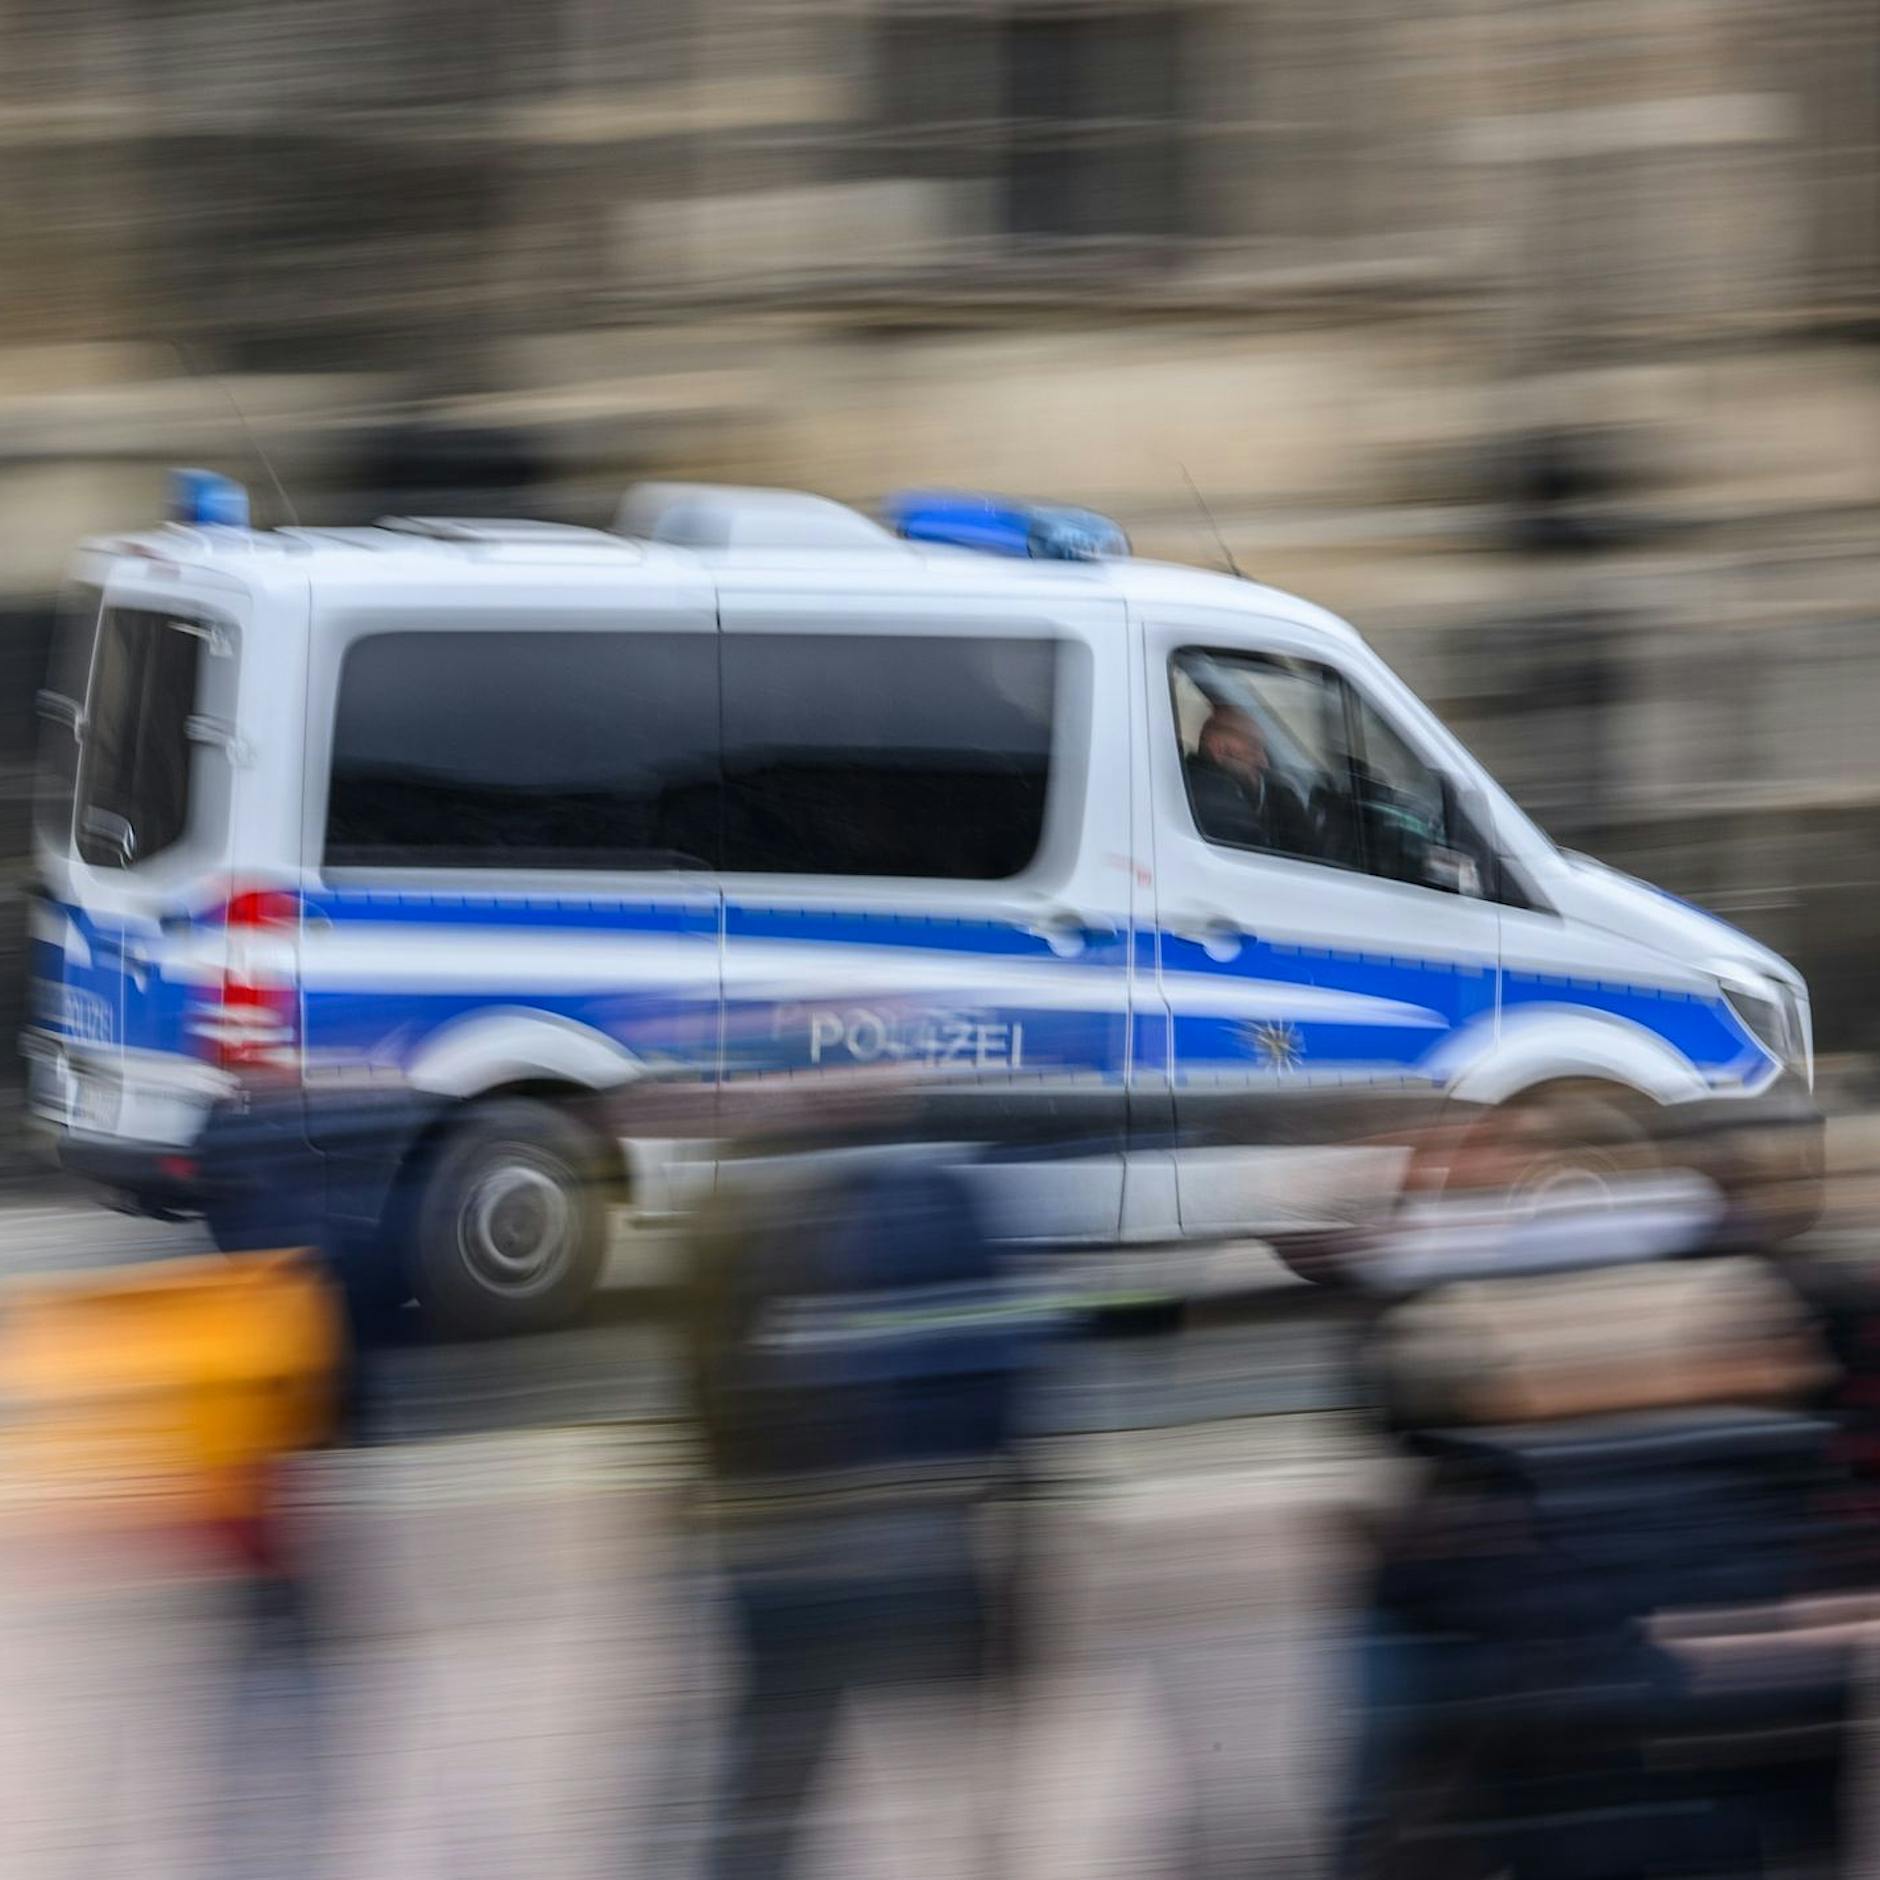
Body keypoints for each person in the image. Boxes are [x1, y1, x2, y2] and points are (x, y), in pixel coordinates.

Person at [679, 1081, 1047, 1880]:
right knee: (941, 1794)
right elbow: (1005, 1380)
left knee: (776, 1780)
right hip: (907, 1556)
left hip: (802, 1560)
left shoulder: (746, 1207)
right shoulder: (943, 1199)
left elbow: (710, 1396)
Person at [1184, 706, 1317, 859]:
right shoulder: (1213, 801)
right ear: (1219, 748)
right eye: (1253, 749)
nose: (1264, 763)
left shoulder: (1256, 793)